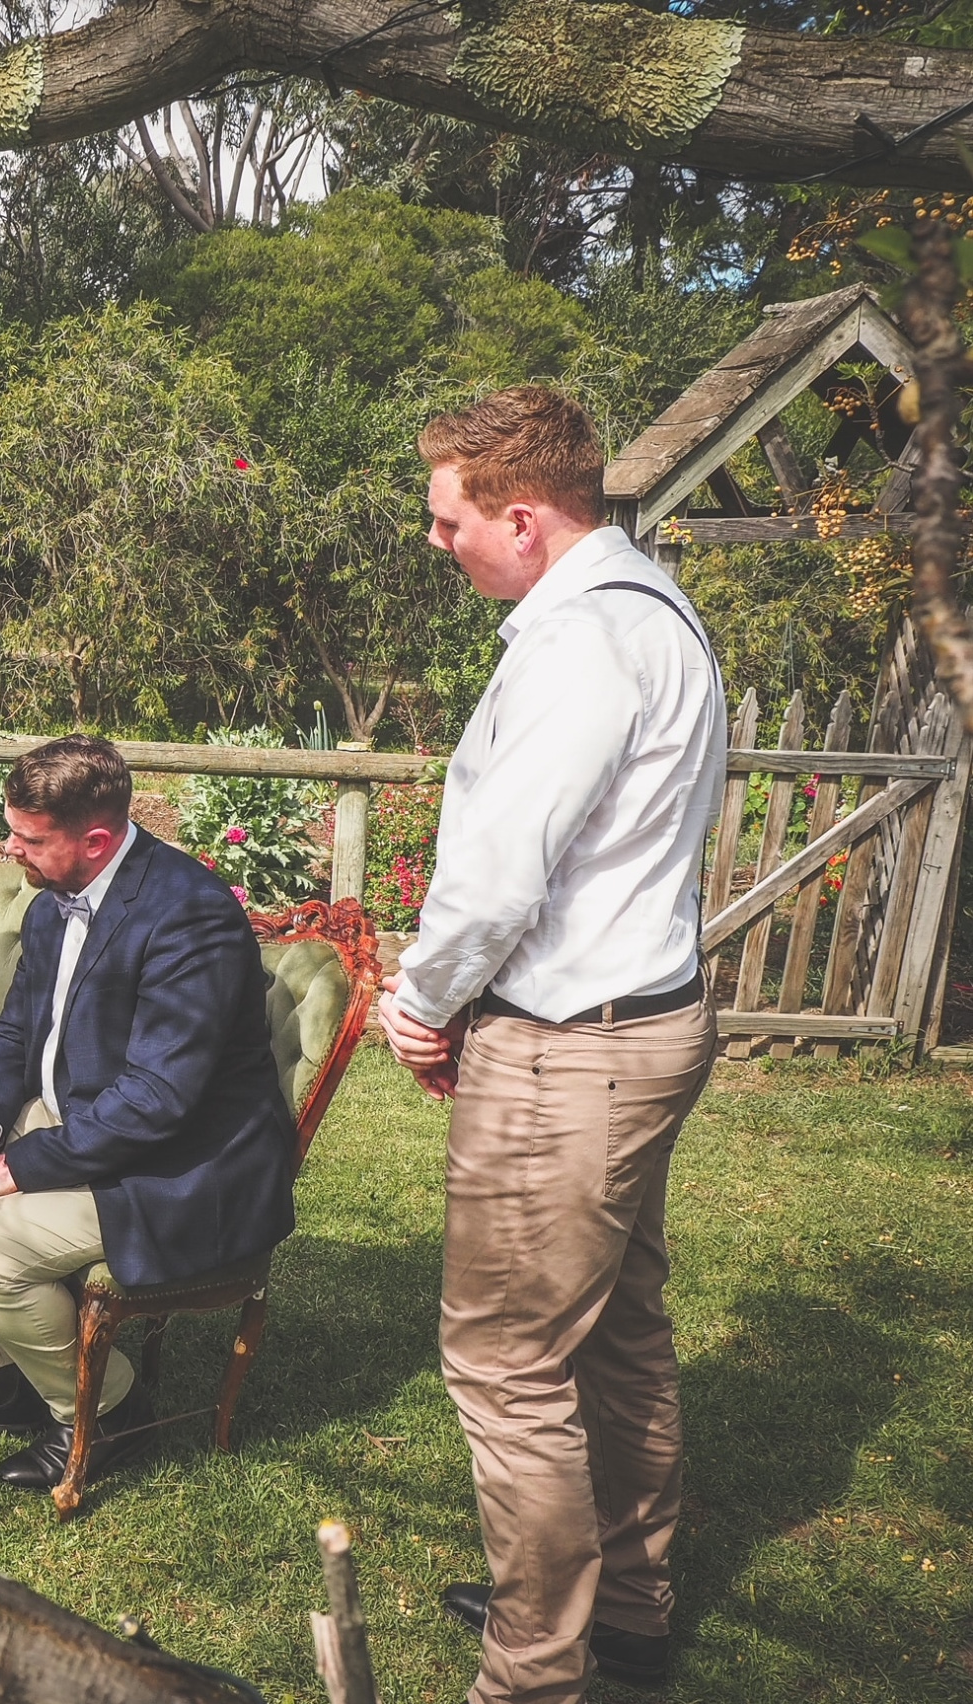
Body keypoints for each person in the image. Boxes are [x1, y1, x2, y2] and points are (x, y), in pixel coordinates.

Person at [376, 387, 726, 1701]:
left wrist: (421, 1001)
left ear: (523, 517)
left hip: (571, 1047)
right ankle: (620, 1611)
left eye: (448, 516)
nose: (436, 538)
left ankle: (532, 1673)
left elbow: (501, 870)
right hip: (648, 1024)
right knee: (622, 1331)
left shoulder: (580, 644)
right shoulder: (656, 607)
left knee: (509, 1366)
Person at [0, 735, 295, 1492]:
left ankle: (109, 1411)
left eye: (30, 840)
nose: (12, 852)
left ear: (95, 841)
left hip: (182, 1171)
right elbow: (12, 1035)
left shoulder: (188, 917)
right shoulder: (49, 904)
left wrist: (10, 1170)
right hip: (86, 1125)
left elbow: (157, 1101)